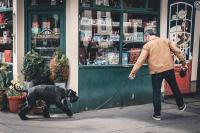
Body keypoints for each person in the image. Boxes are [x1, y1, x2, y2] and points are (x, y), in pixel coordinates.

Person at [128, 30, 188, 121]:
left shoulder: (147, 45)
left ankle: (157, 115)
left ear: (147, 36)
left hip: (156, 72)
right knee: (174, 87)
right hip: (168, 69)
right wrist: (183, 63)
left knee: (156, 92)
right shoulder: (165, 40)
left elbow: (140, 60)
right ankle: (181, 105)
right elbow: (178, 51)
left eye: (145, 37)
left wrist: (133, 73)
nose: (145, 39)